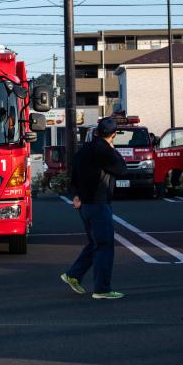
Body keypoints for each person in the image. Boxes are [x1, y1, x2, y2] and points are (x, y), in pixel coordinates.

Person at [61, 117, 127, 299]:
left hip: (83, 204)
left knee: (95, 243)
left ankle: (73, 274)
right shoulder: (105, 150)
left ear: (97, 131)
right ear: (114, 134)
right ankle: (102, 289)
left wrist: (75, 195)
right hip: (98, 203)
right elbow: (121, 169)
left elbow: (74, 175)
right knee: (105, 245)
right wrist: (114, 150)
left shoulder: (85, 150)